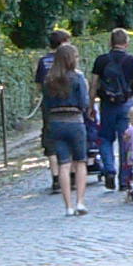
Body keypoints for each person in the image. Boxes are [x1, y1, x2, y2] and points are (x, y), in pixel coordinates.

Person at [39, 40, 94, 216]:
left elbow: (46, 104)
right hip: (75, 121)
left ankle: (68, 206)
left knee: (63, 164)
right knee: (80, 162)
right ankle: (80, 202)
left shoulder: (49, 80)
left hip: (56, 122)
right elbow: (84, 102)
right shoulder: (77, 78)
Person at [89, 27, 133, 189]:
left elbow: (93, 84)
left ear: (110, 42)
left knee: (105, 138)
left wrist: (91, 105)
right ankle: (124, 180)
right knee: (125, 140)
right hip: (126, 104)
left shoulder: (101, 60)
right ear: (126, 43)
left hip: (107, 105)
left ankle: (109, 169)